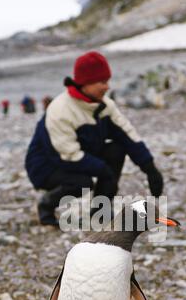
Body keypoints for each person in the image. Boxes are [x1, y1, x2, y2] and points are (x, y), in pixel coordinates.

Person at [25, 51, 164, 226]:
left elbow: (127, 134)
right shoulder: (61, 110)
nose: (107, 87)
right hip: (46, 166)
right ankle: (46, 205)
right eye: (102, 82)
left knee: (116, 150)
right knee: (81, 182)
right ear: (86, 83)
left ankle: (100, 211)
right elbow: (67, 154)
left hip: (80, 155)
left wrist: (150, 168)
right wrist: (103, 170)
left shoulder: (104, 105)